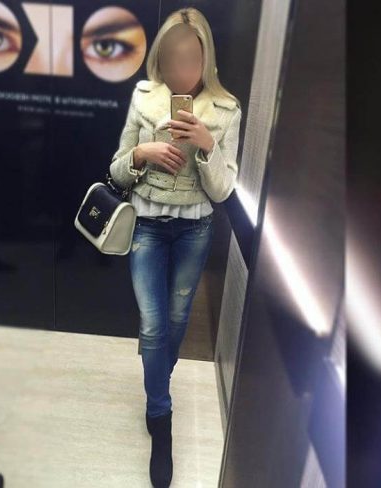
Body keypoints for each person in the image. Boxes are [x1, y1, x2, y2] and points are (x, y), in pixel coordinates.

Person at [109, 7, 242, 487]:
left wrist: (206, 146)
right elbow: (116, 170)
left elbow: (223, 191)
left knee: (178, 319)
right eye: (171, 59)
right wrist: (141, 153)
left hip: (194, 230)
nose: (180, 69)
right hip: (146, 225)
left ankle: (156, 391)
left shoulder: (226, 110)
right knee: (152, 326)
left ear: (206, 59)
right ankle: (160, 416)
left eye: (190, 59)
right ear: (160, 59)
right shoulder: (144, 97)